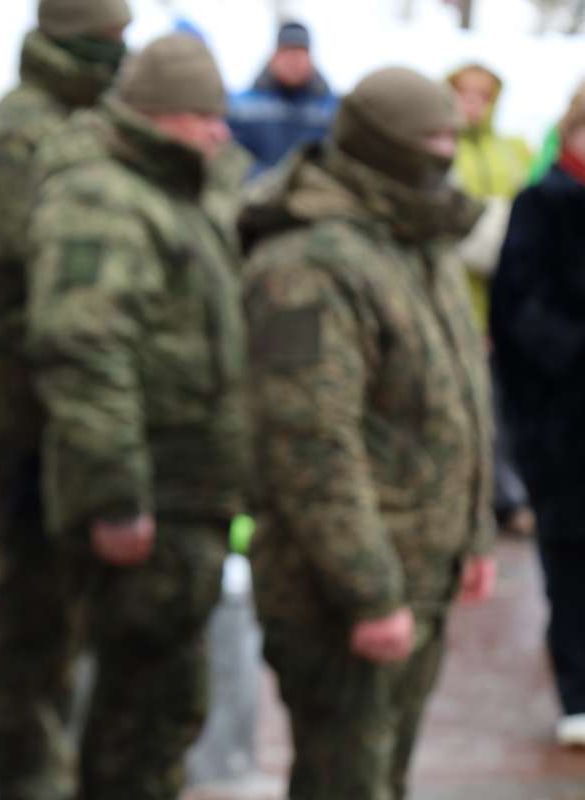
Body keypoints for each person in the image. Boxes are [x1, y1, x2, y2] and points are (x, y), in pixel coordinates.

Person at [240, 67, 496, 799]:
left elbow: (458, 399)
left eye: (452, 137)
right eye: (431, 140)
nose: (446, 154)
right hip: (338, 594)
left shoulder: (417, 238)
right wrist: (370, 593)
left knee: (385, 778)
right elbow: (309, 443)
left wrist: (473, 535)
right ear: (383, 147)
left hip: (420, 573)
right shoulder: (306, 264)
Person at [26, 34, 249, 800]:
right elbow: (83, 351)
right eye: (204, 116)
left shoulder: (175, 186)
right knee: (139, 715)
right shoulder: (102, 198)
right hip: (150, 498)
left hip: (188, 495)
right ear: (158, 114)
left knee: (166, 707)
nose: (221, 131)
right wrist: (117, 497)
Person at [0, 1, 131, 797]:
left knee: (82, 619)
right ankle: (24, 778)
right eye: (111, 39)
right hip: (29, 422)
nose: (122, 53)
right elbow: (19, 295)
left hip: (83, 417)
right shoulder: (13, 139)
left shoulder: (94, 121)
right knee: (35, 624)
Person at [491, 82, 585, 749]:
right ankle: (579, 692)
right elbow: (518, 309)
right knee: (573, 563)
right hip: (564, 425)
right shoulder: (543, 202)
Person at [446, 63, 535, 538]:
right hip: (461, 303)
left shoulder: (513, 151)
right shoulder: (444, 151)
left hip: (512, 307)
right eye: (465, 94)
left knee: (509, 411)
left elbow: (529, 224)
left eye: (483, 96)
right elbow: (465, 237)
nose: (474, 105)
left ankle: (510, 498)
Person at [227, 20, 338, 177]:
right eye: (287, 52)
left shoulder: (331, 109)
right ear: (274, 57)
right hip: (253, 189)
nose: (293, 61)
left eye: (300, 53)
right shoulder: (240, 106)